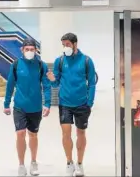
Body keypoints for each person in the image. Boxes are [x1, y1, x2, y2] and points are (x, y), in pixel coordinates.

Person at [47, 33, 96, 176]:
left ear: (75, 44)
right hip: (65, 104)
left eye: (67, 44)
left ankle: (80, 164)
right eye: (63, 45)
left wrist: (89, 102)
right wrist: (51, 79)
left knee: (81, 133)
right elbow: (56, 83)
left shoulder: (87, 61)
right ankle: (69, 162)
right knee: (66, 133)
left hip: (82, 104)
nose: (65, 47)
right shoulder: (59, 61)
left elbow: (92, 83)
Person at [3, 39, 51, 176]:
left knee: (33, 135)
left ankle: (34, 162)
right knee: (20, 133)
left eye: (32, 49)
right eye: (27, 49)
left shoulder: (41, 66)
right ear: (22, 50)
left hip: (35, 107)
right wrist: (6, 104)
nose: (30, 51)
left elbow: (46, 86)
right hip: (20, 106)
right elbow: (10, 85)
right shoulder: (16, 65)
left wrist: (47, 103)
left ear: (36, 50)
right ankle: (21, 164)